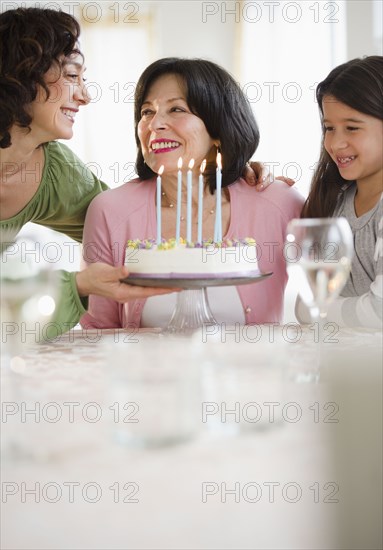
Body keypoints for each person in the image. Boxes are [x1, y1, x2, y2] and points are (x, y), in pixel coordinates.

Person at [0, 8, 293, 337]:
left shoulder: (58, 175)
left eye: (176, 109)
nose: (85, 95)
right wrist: (79, 283)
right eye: (71, 76)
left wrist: (235, 171)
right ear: (19, 75)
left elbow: (116, 224)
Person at [80, 57, 304, 329]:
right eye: (147, 111)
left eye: (176, 109)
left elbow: (330, 290)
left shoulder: (276, 203)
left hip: (253, 371)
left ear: (218, 129)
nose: (154, 125)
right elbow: (98, 333)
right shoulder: (110, 210)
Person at [299, 56, 382, 328]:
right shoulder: (335, 202)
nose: (336, 143)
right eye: (329, 128)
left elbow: (379, 312)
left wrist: (322, 311)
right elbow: (303, 303)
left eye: (352, 128)